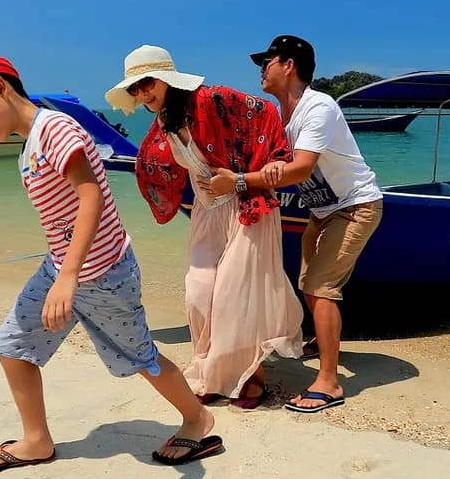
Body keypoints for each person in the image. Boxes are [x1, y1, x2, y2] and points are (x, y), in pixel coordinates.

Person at [0, 53, 221, 472]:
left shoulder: (55, 127)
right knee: (13, 346)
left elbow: (91, 196)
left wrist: (67, 278)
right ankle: (36, 440)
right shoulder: (31, 140)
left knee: (141, 358)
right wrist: (61, 273)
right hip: (62, 268)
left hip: (103, 274)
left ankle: (197, 419)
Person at [106, 45, 303, 409]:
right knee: (199, 294)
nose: (142, 93)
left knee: (236, 296)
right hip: (207, 212)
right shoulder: (164, 121)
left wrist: (244, 177)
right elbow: (158, 161)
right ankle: (216, 373)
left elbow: (265, 113)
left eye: (147, 83)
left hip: (247, 206)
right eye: (135, 89)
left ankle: (252, 380)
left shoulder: (214, 98)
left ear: (166, 78)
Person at [208, 36, 383, 413]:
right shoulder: (278, 116)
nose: (261, 69)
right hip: (321, 212)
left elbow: (300, 168)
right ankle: (323, 341)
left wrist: (238, 181)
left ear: (289, 65)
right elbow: (267, 159)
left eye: (267, 61)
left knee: (321, 287)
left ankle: (330, 383)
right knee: (308, 284)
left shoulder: (319, 106)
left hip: (355, 206)